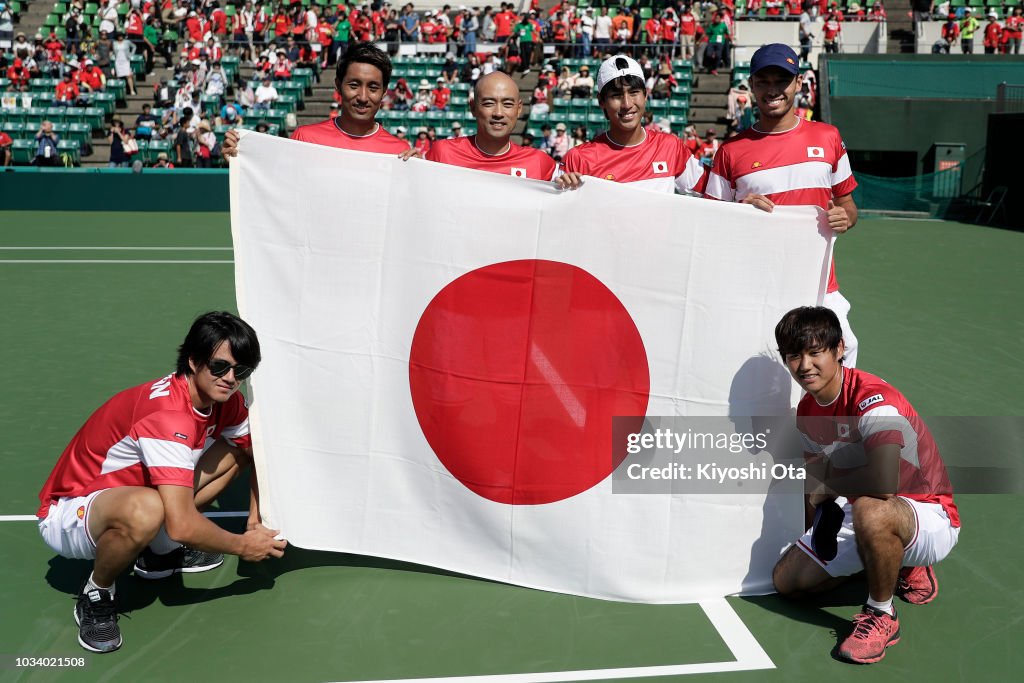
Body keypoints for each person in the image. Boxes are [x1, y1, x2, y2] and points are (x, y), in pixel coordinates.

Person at [37, 312, 287, 653]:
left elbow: (256, 451)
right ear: (193, 360)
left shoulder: (221, 402)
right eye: (219, 367)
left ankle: (158, 555)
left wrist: (254, 521)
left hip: (131, 496)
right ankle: (97, 590)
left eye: (240, 371)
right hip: (70, 514)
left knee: (238, 451)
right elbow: (184, 525)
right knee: (148, 510)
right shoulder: (168, 417)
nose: (230, 378)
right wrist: (245, 546)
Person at [771, 306, 960, 664]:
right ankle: (884, 560)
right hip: (863, 508)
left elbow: (884, 482)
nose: (805, 365)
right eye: (794, 356)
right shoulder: (808, 413)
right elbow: (816, 478)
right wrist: (816, 535)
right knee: (788, 583)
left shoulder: (874, 401)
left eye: (815, 352)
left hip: (927, 514)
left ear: (839, 349)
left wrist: (830, 488)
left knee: (872, 508)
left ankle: (882, 612)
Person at [703, 44, 860, 366]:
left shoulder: (828, 137)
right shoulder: (730, 151)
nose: (773, 90)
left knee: (837, 368)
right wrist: (741, 211)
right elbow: (711, 226)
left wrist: (845, 218)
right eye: (763, 82)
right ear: (752, 86)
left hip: (819, 286)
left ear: (798, 84)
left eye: (782, 81)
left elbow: (848, 205)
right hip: (754, 288)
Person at [222, 42, 408, 156]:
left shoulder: (401, 153)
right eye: (354, 85)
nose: (363, 97)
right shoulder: (306, 139)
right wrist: (241, 159)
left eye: (373, 87)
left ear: (384, 93)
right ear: (338, 85)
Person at [556, 55, 705, 194]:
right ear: (601, 101)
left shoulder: (670, 147)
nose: (627, 104)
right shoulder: (578, 159)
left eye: (634, 92)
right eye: (616, 95)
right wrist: (562, 191)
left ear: (645, 95)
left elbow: (714, 190)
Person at [401, 71, 558, 181]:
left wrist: (571, 185)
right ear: (473, 107)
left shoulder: (540, 163)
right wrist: (411, 169)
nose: (498, 113)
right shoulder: (443, 154)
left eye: (507, 104)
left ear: (518, 109)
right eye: (489, 103)